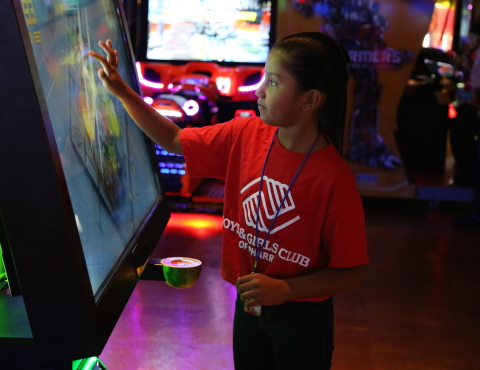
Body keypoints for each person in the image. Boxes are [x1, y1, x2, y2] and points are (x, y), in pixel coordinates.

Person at [90, 32, 369, 369]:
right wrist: (122, 92)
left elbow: (351, 273)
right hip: (249, 301)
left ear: (309, 100)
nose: (259, 89)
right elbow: (176, 139)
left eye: (275, 82)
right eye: (264, 76)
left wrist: (284, 289)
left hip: (301, 315)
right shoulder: (246, 134)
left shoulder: (333, 179)